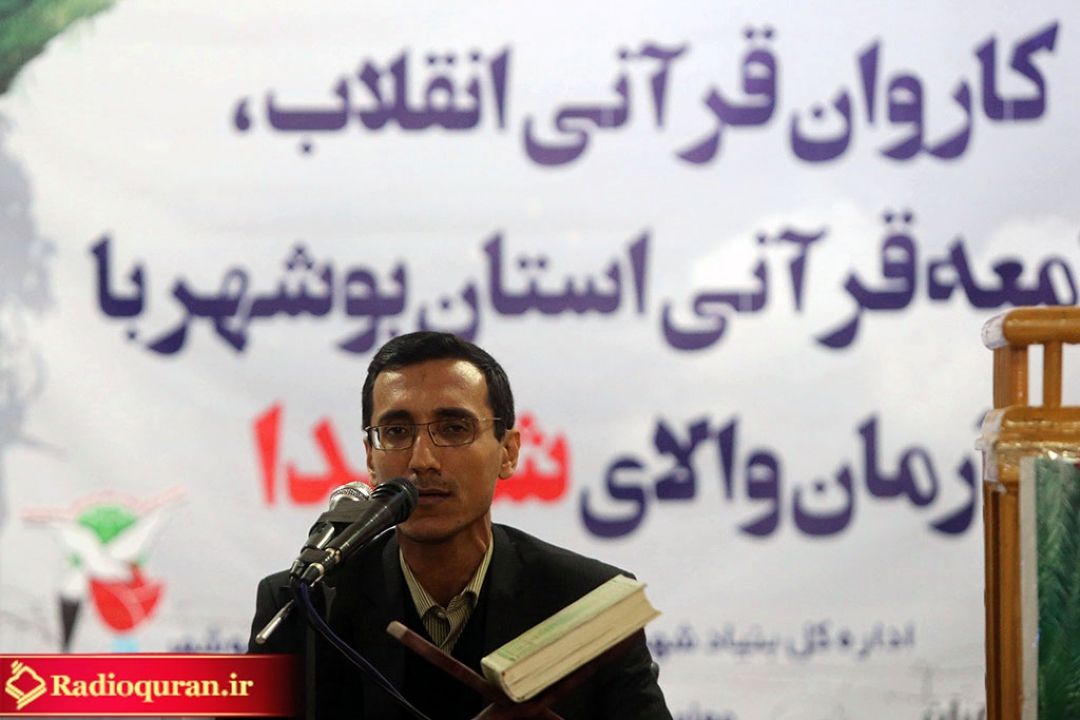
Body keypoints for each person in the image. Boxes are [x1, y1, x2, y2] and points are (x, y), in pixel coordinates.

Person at [248, 331, 671, 719]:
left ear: (508, 452)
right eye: (396, 431)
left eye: (453, 428)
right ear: (370, 459)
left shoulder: (589, 605)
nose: (422, 460)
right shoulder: (303, 606)